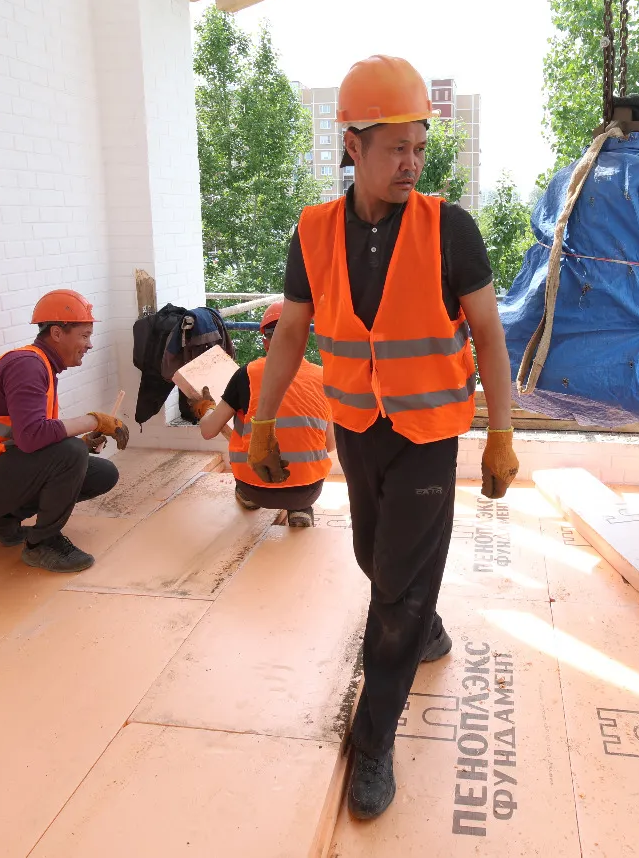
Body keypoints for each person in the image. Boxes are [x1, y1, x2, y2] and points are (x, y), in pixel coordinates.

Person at [249, 55, 519, 820]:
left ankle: (374, 740)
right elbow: (292, 331)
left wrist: (501, 433)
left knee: (393, 590)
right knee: (376, 558)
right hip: (358, 428)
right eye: (397, 147)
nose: (412, 163)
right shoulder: (313, 232)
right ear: (353, 144)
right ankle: (426, 623)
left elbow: (490, 336)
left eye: (420, 148)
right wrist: (263, 419)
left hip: (429, 434)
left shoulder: (449, 229)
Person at [0, 289, 129, 573]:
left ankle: (2, 522)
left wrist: (83, 443)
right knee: (70, 452)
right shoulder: (27, 366)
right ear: (57, 333)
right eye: (84, 335)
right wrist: (94, 421)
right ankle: (42, 545)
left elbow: (30, 439)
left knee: (101, 471)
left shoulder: (40, 366)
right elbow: (31, 437)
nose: (89, 344)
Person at [194, 301, 334, 527]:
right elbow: (330, 445)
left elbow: (208, 431)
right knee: (301, 487)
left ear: (266, 342)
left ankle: (249, 499)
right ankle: (299, 510)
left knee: (245, 431)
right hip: (307, 489)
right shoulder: (323, 377)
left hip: (255, 487)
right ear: (304, 339)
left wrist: (206, 408)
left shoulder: (246, 374)